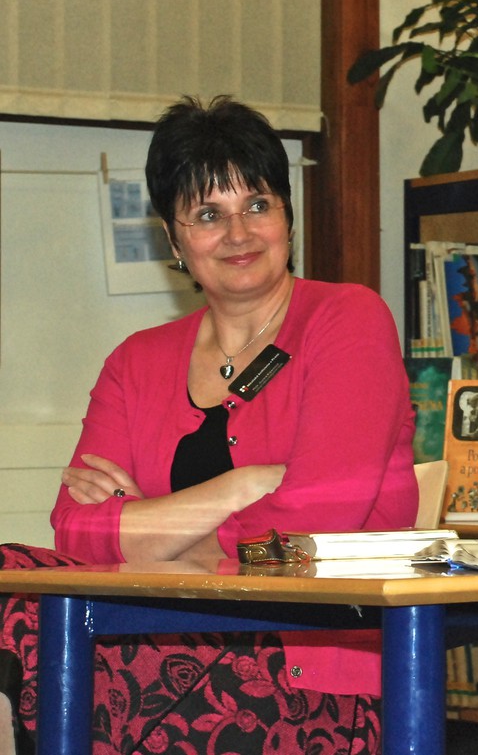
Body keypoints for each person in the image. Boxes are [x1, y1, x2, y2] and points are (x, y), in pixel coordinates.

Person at [1, 95, 418, 754]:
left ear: (288, 216)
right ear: (174, 241)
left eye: (258, 205)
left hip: (306, 671)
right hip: (153, 642)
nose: (238, 233)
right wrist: (242, 485)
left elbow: (319, 524)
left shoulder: (349, 320)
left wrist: (158, 535)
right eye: (207, 214)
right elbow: (76, 527)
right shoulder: (136, 362)